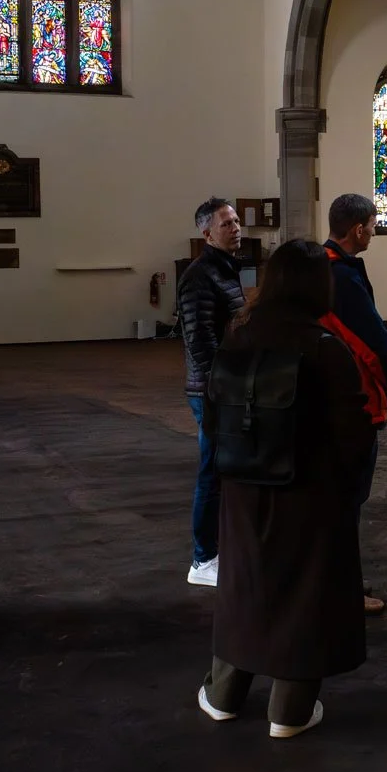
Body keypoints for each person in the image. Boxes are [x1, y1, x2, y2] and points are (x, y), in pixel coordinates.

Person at [196, 241, 372, 738]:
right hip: (308, 493)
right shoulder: (323, 346)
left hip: (242, 489)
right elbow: (354, 433)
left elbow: (213, 415)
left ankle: (223, 695)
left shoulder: (238, 335)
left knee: (244, 585)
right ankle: (289, 712)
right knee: (304, 594)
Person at [324, 192, 387, 616]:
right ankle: (343, 589)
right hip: (354, 402)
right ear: (358, 229)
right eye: (373, 226)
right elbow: (374, 338)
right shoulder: (342, 276)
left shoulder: (321, 268)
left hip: (331, 400)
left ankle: (342, 581)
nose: (374, 232)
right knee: (346, 503)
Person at [177, 197, 245, 587]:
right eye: (226, 224)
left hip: (226, 386)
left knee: (225, 469)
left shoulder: (225, 270)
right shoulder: (199, 276)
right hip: (211, 391)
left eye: (236, 221)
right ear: (207, 234)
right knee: (212, 472)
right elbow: (200, 341)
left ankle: (222, 549)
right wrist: (220, 388)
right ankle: (203, 560)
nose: (235, 228)